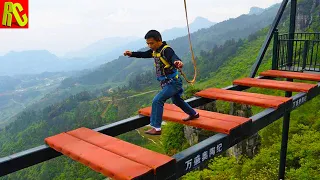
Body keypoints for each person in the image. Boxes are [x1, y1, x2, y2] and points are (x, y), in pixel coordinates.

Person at [123, 30, 199, 135]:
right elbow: (144, 54)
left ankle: (156, 127)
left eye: (151, 43)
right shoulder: (155, 51)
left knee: (157, 100)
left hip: (173, 82)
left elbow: (173, 57)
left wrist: (178, 62)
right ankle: (194, 114)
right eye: (148, 43)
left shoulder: (166, 50)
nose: (149, 46)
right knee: (177, 101)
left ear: (159, 41)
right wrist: (132, 54)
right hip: (168, 83)